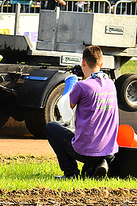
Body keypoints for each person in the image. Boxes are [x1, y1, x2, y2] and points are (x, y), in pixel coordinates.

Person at [45, 45, 119, 179]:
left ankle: (70, 173)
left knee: (51, 128)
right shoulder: (110, 84)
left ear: (83, 62)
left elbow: (65, 109)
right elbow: (94, 92)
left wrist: (71, 81)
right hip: (110, 150)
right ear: (101, 64)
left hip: (85, 152)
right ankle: (99, 163)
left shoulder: (81, 86)